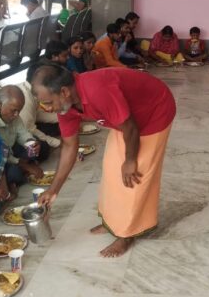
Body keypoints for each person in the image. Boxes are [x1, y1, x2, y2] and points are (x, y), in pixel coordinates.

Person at [31, 65, 176, 257]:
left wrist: (131, 160)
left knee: (134, 177)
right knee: (112, 169)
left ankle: (126, 235)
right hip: (126, 119)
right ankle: (112, 222)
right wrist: (53, 189)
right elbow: (69, 146)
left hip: (154, 111)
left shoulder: (97, 90)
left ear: (64, 92)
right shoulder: (66, 106)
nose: (47, 109)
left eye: (48, 103)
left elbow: (131, 128)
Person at [0, 86, 47, 190]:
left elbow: (23, 133)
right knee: (15, 174)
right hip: (0, 159)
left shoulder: (13, 112)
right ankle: (25, 166)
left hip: (13, 149)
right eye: (14, 110)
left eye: (19, 111)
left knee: (42, 146)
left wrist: (31, 143)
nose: (17, 115)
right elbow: (0, 154)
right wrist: (23, 165)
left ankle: (26, 164)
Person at [16, 66, 61, 151]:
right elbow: (29, 128)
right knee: (43, 148)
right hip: (23, 132)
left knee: (58, 125)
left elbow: (38, 114)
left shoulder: (32, 91)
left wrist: (63, 117)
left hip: (30, 124)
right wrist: (56, 142)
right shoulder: (25, 98)